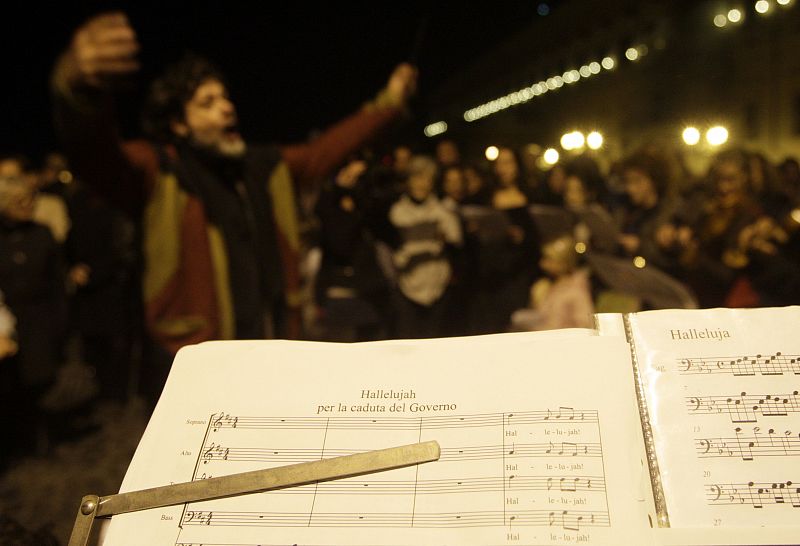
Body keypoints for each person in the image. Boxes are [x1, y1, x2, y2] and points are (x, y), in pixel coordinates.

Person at [51, 12, 417, 400]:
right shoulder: (159, 171)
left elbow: (325, 151)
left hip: (272, 349)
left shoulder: (262, 166)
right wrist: (78, 92)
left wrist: (391, 100)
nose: (226, 108)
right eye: (207, 103)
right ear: (179, 124)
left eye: (225, 97)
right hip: (194, 364)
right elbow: (94, 154)